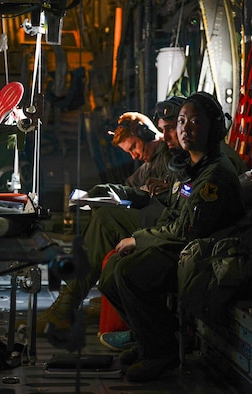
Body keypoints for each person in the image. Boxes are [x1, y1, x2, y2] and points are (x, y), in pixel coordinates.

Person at [98, 91, 245, 382]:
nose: (184, 129)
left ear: (213, 127)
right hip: (184, 246)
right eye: (181, 121)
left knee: (128, 272)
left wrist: (139, 239)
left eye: (195, 122)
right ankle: (151, 341)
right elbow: (174, 217)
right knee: (112, 272)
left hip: (204, 254)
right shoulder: (190, 170)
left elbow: (187, 230)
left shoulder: (214, 175)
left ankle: (160, 352)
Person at [30, 97, 186, 336]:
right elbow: (141, 191)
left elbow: (178, 205)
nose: (166, 137)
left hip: (168, 227)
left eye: (170, 130)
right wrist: (111, 192)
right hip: (162, 220)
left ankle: (67, 305)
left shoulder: (178, 158)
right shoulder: (164, 161)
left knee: (105, 219)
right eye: (165, 130)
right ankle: (86, 301)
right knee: (103, 216)